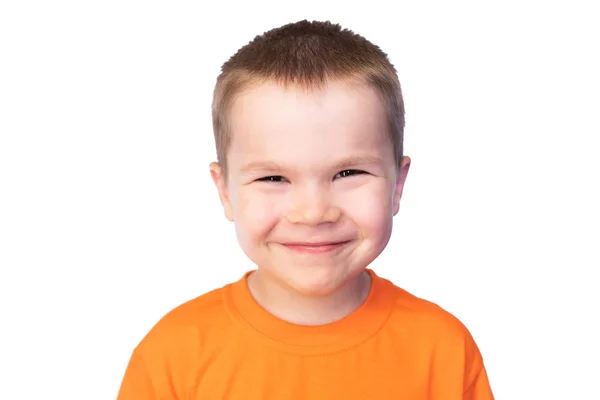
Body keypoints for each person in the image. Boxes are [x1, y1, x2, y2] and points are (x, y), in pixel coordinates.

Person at [117, 20, 494, 399]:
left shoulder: (443, 349)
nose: (313, 213)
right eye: (274, 178)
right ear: (225, 192)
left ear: (397, 185)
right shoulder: (172, 354)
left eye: (348, 172)